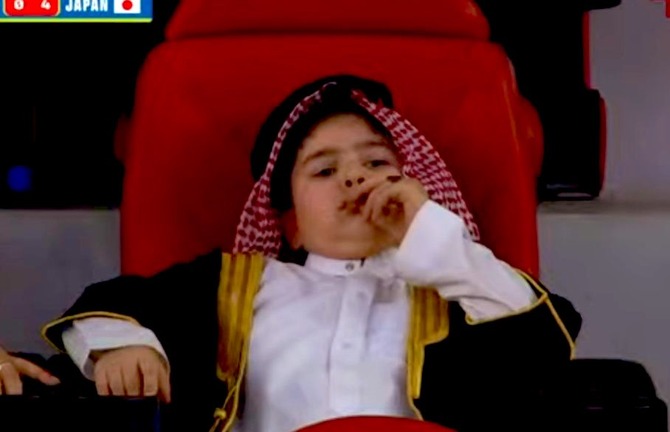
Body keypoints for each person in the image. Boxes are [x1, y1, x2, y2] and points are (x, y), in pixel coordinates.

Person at [41, 75, 581, 432]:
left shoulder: (456, 291)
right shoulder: (238, 284)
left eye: (376, 163)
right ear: (290, 225)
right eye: (325, 170)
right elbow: (112, 306)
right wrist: (124, 347)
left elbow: (538, 339)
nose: (355, 177)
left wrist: (428, 236)